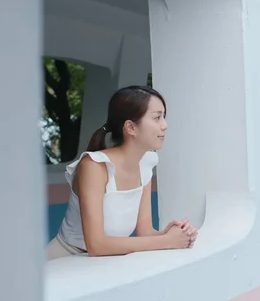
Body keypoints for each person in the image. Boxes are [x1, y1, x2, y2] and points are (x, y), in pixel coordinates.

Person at [46, 85, 198, 260]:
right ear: (131, 127)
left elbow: (144, 231)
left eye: (164, 117)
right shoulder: (95, 166)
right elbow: (96, 245)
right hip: (62, 264)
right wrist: (167, 241)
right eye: (157, 118)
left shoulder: (146, 163)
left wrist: (172, 235)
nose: (165, 125)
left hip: (105, 266)